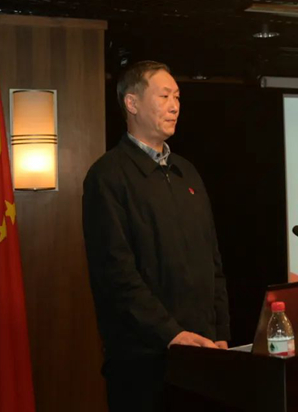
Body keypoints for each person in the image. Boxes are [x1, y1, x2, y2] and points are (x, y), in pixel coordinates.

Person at [82, 60, 230, 412]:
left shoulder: (187, 173)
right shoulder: (108, 176)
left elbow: (213, 262)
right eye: (164, 96)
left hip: (203, 356)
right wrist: (171, 334)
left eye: (177, 97)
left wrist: (221, 333)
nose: (175, 105)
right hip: (144, 364)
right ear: (132, 103)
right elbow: (116, 274)